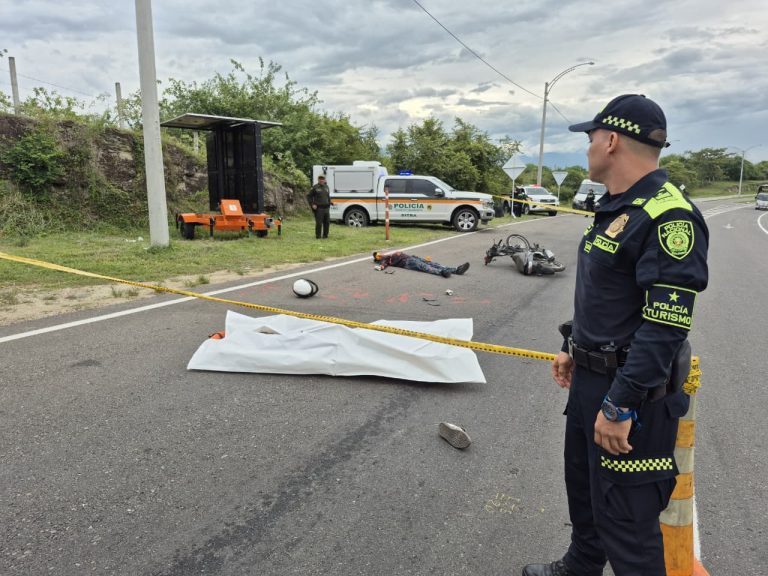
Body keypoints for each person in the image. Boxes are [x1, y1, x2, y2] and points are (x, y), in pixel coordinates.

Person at [522, 95, 709, 576]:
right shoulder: (618, 207)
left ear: (610, 140)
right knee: (585, 495)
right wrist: (572, 349)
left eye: (589, 138)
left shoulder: (668, 217)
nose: (586, 147)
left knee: (627, 524)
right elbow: (607, 297)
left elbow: (665, 324)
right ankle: (580, 567)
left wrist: (620, 404)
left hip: (632, 395)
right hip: (591, 379)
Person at [372, 251, 469, 278]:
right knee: (425, 267)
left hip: (412, 257)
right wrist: (381, 267)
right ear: (377, 258)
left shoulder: (387, 255)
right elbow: (383, 265)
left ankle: (456, 270)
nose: (380, 254)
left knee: (433, 263)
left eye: (379, 253)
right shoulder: (384, 260)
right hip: (407, 262)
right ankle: (442, 272)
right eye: (377, 255)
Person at [307, 175, 332, 239]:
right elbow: (309, 196)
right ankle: (318, 236)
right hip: (319, 209)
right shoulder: (315, 187)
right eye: (320, 179)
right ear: (318, 180)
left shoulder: (326, 187)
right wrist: (312, 204)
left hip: (326, 208)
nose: (321, 180)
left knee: (327, 223)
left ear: (324, 180)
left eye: (323, 179)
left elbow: (328, 196)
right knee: (319, 223)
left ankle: (325, 236)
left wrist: (330, 202)